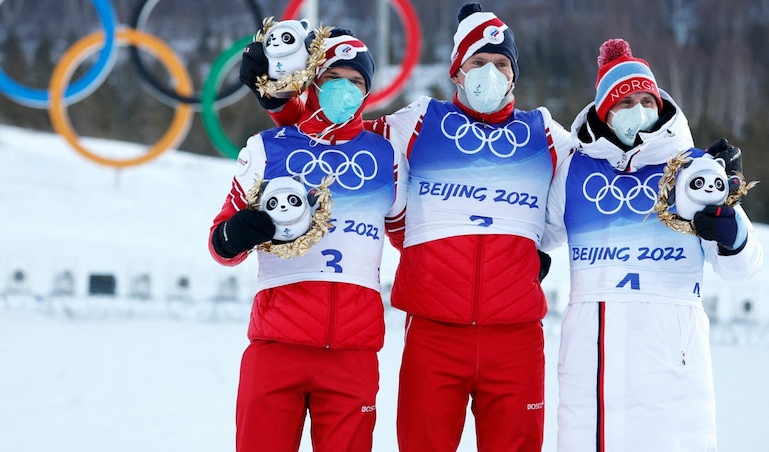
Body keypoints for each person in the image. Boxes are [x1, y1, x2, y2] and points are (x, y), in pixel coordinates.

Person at [262, 3, 574, 450]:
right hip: (434, 333)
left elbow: (592, 177)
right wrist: (279, 103)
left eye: (501, 64)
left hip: (515, 338)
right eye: (479, 62)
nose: (491, 72)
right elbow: (336, 135)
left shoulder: (542, 131)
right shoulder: (420, 121)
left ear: (514, 75)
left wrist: (539, 245)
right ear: (457, 71)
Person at [541, 38, 763, 451]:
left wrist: (729, 230)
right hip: (591, 364)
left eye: (647, 100)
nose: (638, 110)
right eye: (625, 103)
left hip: (670, 360)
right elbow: (539, 235)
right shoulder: (574, 168)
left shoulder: (691, 169)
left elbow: (744, 267)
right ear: (605, 111)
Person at [209, 27, 407, 452]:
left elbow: (411, 237)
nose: (346, 89)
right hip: (277, 346)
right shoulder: (267, 148)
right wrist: (233, 236)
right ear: (313, 82)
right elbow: (219, 239)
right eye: (334, 78)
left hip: (353, 353)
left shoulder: (385, 154)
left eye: (357, 82)